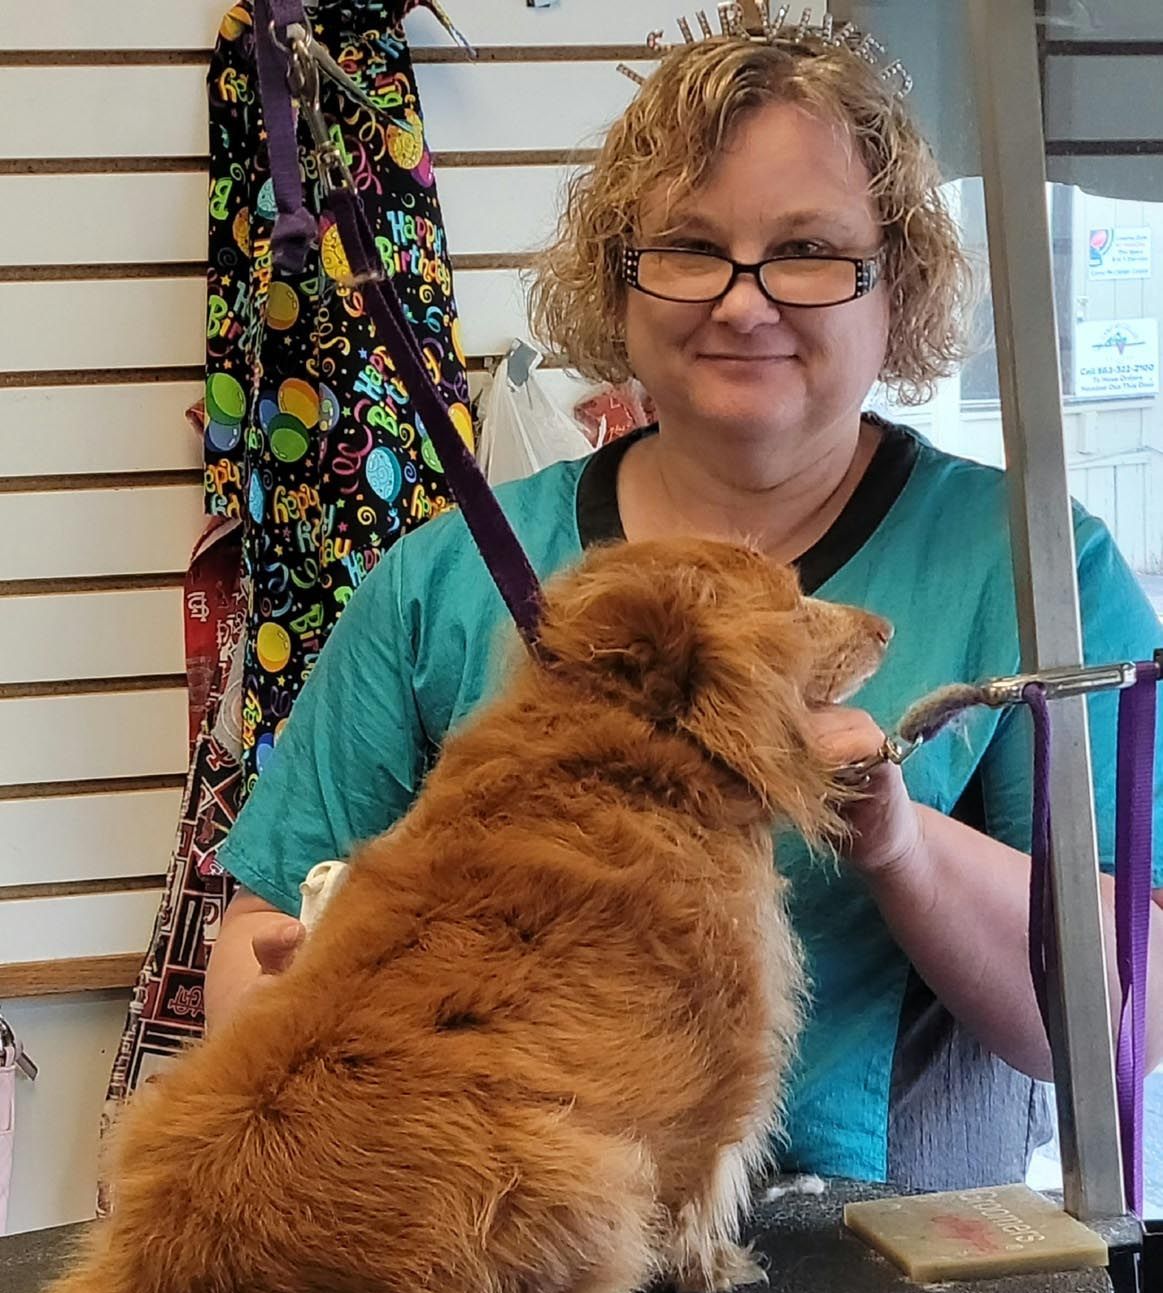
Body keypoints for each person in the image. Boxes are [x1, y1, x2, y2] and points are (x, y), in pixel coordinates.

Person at [207, 31, 1163, 1195]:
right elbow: (257, 956)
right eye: (688, 249)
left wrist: (897, 849)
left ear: (894, 282)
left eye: (807, 251)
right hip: (508, 1255)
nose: (741, 300)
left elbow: (1119, 1010)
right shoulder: (443, 582)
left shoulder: (1032, 569)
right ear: (617, 279)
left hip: (895, 1277)